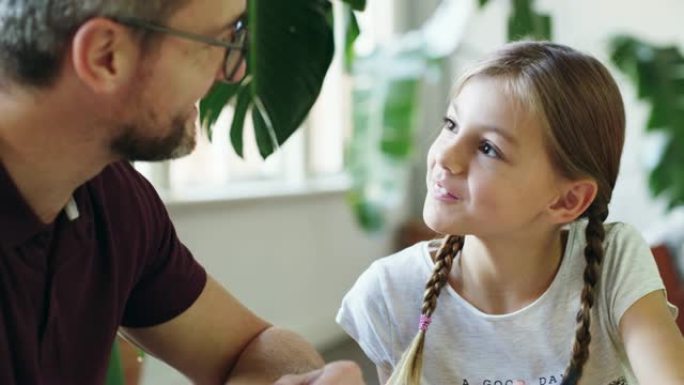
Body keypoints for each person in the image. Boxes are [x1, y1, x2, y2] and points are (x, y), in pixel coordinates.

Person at [0, 0, 366, 384]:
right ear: (106, 56)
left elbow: (252, 345)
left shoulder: (109, 195)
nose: (236, 69)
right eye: (218, 41)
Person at [336, 41, 684, 385]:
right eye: (451, 124)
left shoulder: (614, 260)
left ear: (567, 201)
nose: (446, 157)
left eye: (488, 148)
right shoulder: (389, 294)